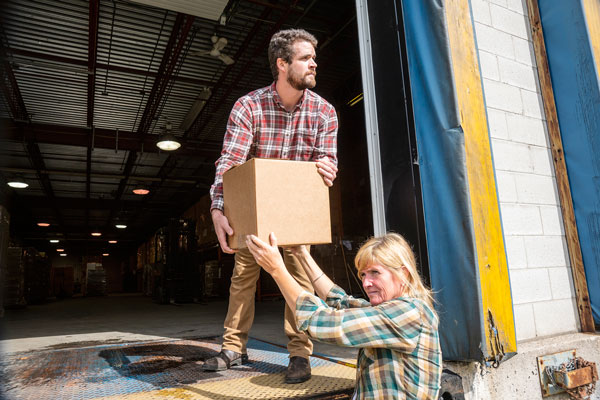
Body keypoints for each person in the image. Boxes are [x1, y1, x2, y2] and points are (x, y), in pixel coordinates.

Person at [204, 28, 339, 384]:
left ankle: (299, 353)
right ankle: (234, 347)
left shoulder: (325, 112)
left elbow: (326, 163)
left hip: (296, 214)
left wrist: (328, 168)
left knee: (299, 282)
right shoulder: (249, 106)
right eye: (305, 58)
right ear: (282, 64)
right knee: (242, 278)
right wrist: (218, 208)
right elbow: (229, 162)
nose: (314, 63)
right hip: (256, 214)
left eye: (314, 57)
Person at [246, 232, 442, 399]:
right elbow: (340, 300)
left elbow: (323, 323)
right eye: (363, 274)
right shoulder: (394, 309)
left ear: (404, 273)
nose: (366, 283)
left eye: (375, 273)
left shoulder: (408, 314)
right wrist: (302, 254)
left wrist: (276, 269)